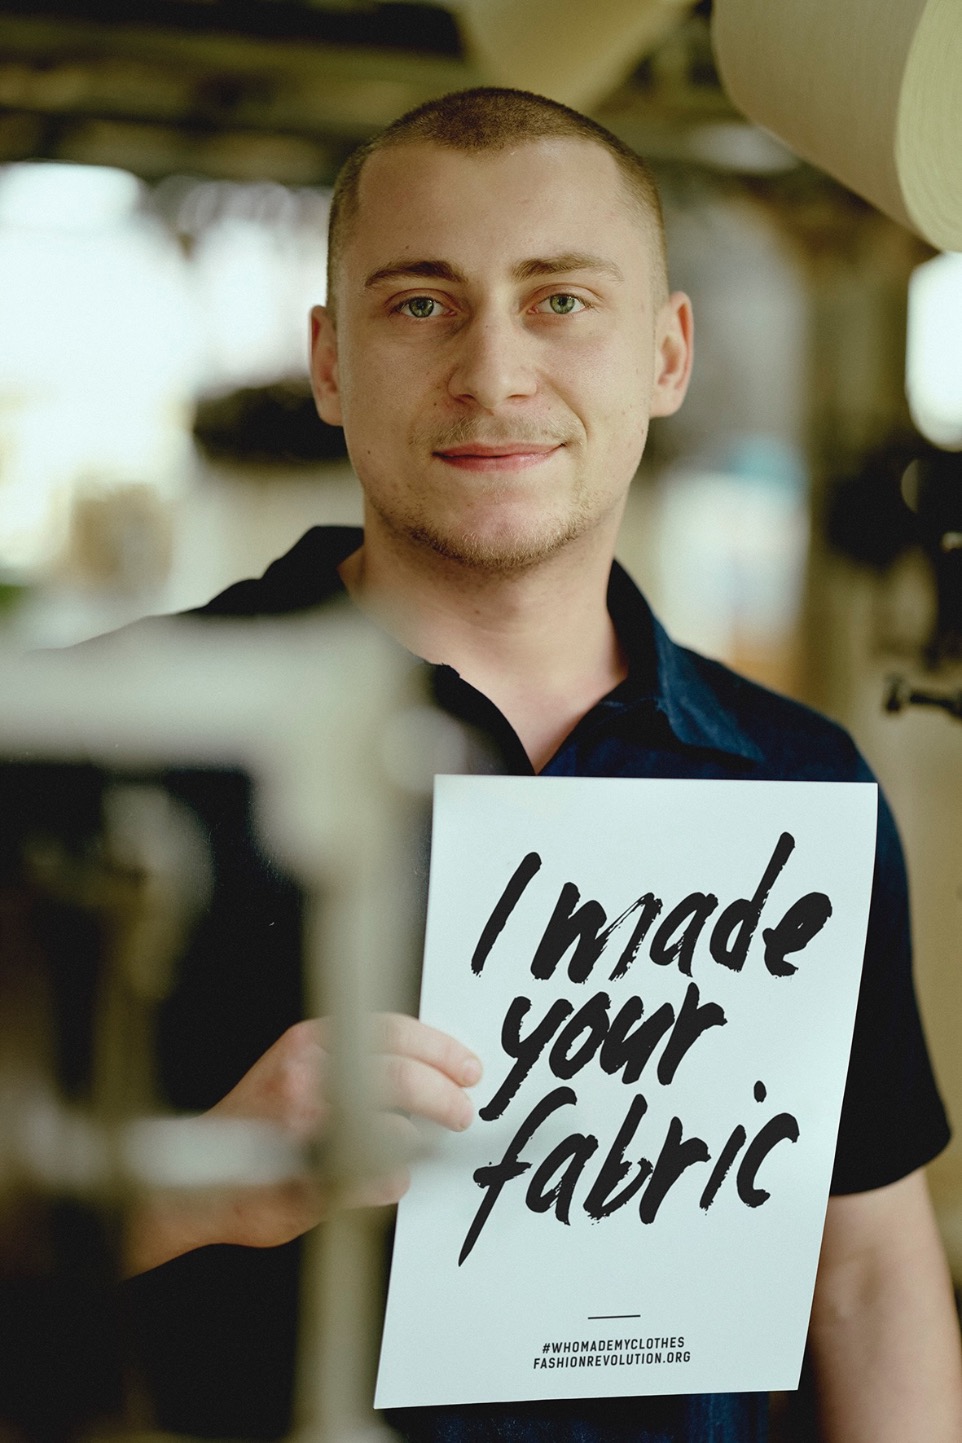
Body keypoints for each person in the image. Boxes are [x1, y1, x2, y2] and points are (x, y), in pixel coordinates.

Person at [125, 88, 962, 1442]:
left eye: (561, 301)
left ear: (667, 354)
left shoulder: (796, 784)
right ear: (332, 361)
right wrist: (210, 1183)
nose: (495, 373)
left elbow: (862, 1265)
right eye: (420, 304)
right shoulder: (126, 738)